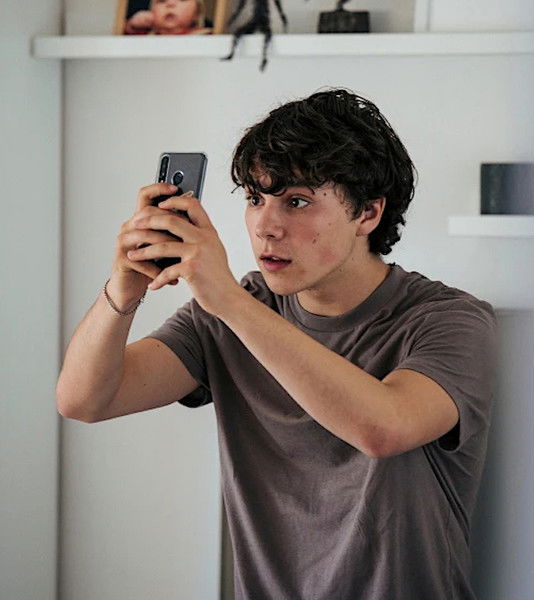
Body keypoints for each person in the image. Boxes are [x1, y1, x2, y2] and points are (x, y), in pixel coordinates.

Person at [56, 88, 498, 599]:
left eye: (297, 202)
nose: (266, 226)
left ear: (368, 213)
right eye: (255, 199)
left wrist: (227, 300)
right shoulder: (232, 312)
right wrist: (123, 288)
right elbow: (84, 400)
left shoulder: (450, 320)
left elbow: (384, 428)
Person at [124, 0, 212, 36]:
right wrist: (132, 26)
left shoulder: (205, 35)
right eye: (162, 1)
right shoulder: (143, 34)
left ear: (197, 13)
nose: (170, 4)